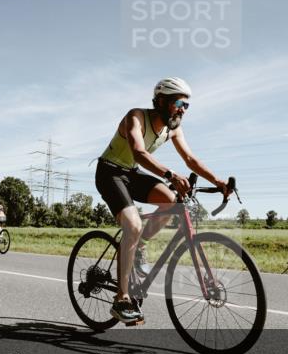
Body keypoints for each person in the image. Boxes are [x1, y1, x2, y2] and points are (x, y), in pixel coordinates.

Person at [95, 77, 229, 325]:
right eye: (179, 103)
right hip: (109, 172)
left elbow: (191, 160)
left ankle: (140, 247)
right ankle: (121, 298)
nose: (183, 109)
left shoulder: (173, 128)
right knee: (132, 225)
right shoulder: (135, 116)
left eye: (187, 106)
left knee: (171, 201)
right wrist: (169, 174)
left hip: (132, 174)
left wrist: (219, 181)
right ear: (161, 101)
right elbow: (138, 152)